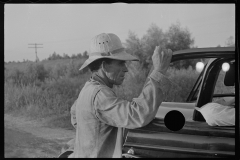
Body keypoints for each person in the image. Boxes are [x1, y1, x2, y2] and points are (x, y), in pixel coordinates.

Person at [72, 33, 173, 158]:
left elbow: (74, 117)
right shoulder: (100, 95)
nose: (125, 69)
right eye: (120, 63)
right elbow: (138, 115)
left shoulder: (88, 89)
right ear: (104, 66)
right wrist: (158, 72)